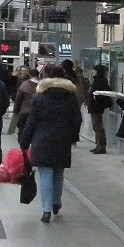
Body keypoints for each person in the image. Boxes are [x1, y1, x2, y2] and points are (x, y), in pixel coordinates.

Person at [20, 65, 83, 223]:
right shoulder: (71, 98)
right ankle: (56, 202)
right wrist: (73, 136)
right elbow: (77, 120)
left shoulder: (39, 98)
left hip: (42, 139)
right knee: (59, 172)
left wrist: (24, 141)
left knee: (46, 174)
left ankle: (46, 210)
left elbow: (31, 122)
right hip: (63, 139)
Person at [86, 64, 113, 154]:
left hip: (96, 106)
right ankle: (98, 145)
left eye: (94, 71)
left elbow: (100, 94)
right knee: (96, 127)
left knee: (98, 127)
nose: (93, 72)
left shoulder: (100, 81)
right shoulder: (98, 80)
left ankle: (101, 146)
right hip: (94, 106)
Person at [12, 68, 40, 143]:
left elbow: (18, 99)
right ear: (38, 75)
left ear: (30, 75)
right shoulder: (42, 85)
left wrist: (16, 111)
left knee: (22, 130)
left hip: (24, 112)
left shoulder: (24, 85)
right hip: (38, 113)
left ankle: (23, 149)